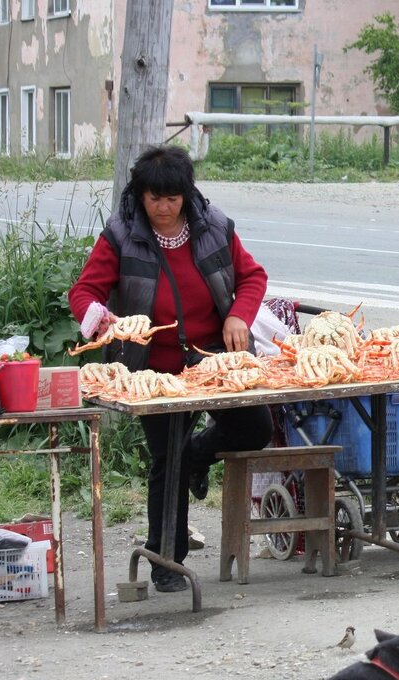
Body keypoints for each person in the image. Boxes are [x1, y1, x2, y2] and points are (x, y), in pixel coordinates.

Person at [69, 144, 273, 592]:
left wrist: (239, 313)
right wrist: (107, 322)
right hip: (153, 367)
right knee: (167, 457)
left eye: (172, 198)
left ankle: (200, 453)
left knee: (255, 426)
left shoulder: (214, 227)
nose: (162, 208)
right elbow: (84, 293)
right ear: (140, 195)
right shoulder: (121, 234)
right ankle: (166, 561)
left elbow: (252, 276)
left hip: (214, 357)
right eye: (153, 198)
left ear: (186, 194)